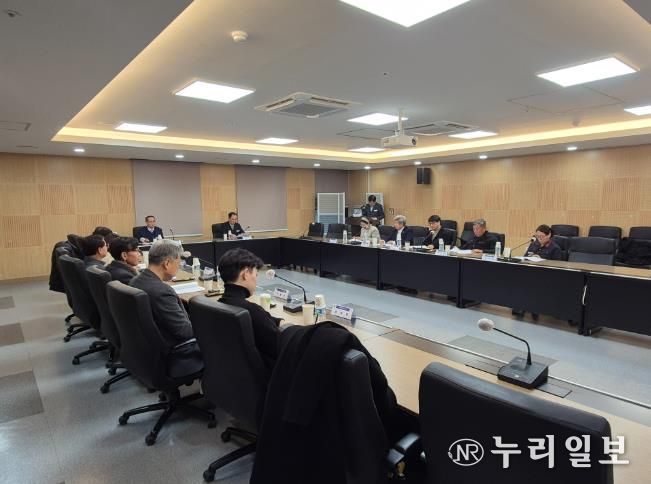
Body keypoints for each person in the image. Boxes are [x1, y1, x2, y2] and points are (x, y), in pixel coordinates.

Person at [218, 248, 282, 371]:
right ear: (246, 273)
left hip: (231, 372)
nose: (256, 280)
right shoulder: (251, 311)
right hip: (266, 375)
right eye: (256, 275)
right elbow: (280, 345)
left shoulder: (220, 304)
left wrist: (277, 321)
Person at [129, 240, 196, 350]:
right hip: (175, 349)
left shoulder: (135, 280)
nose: (179, 267)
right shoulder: (162, 292)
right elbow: (184, 331)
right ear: (167, 263)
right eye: (178, 263)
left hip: (144, 346)